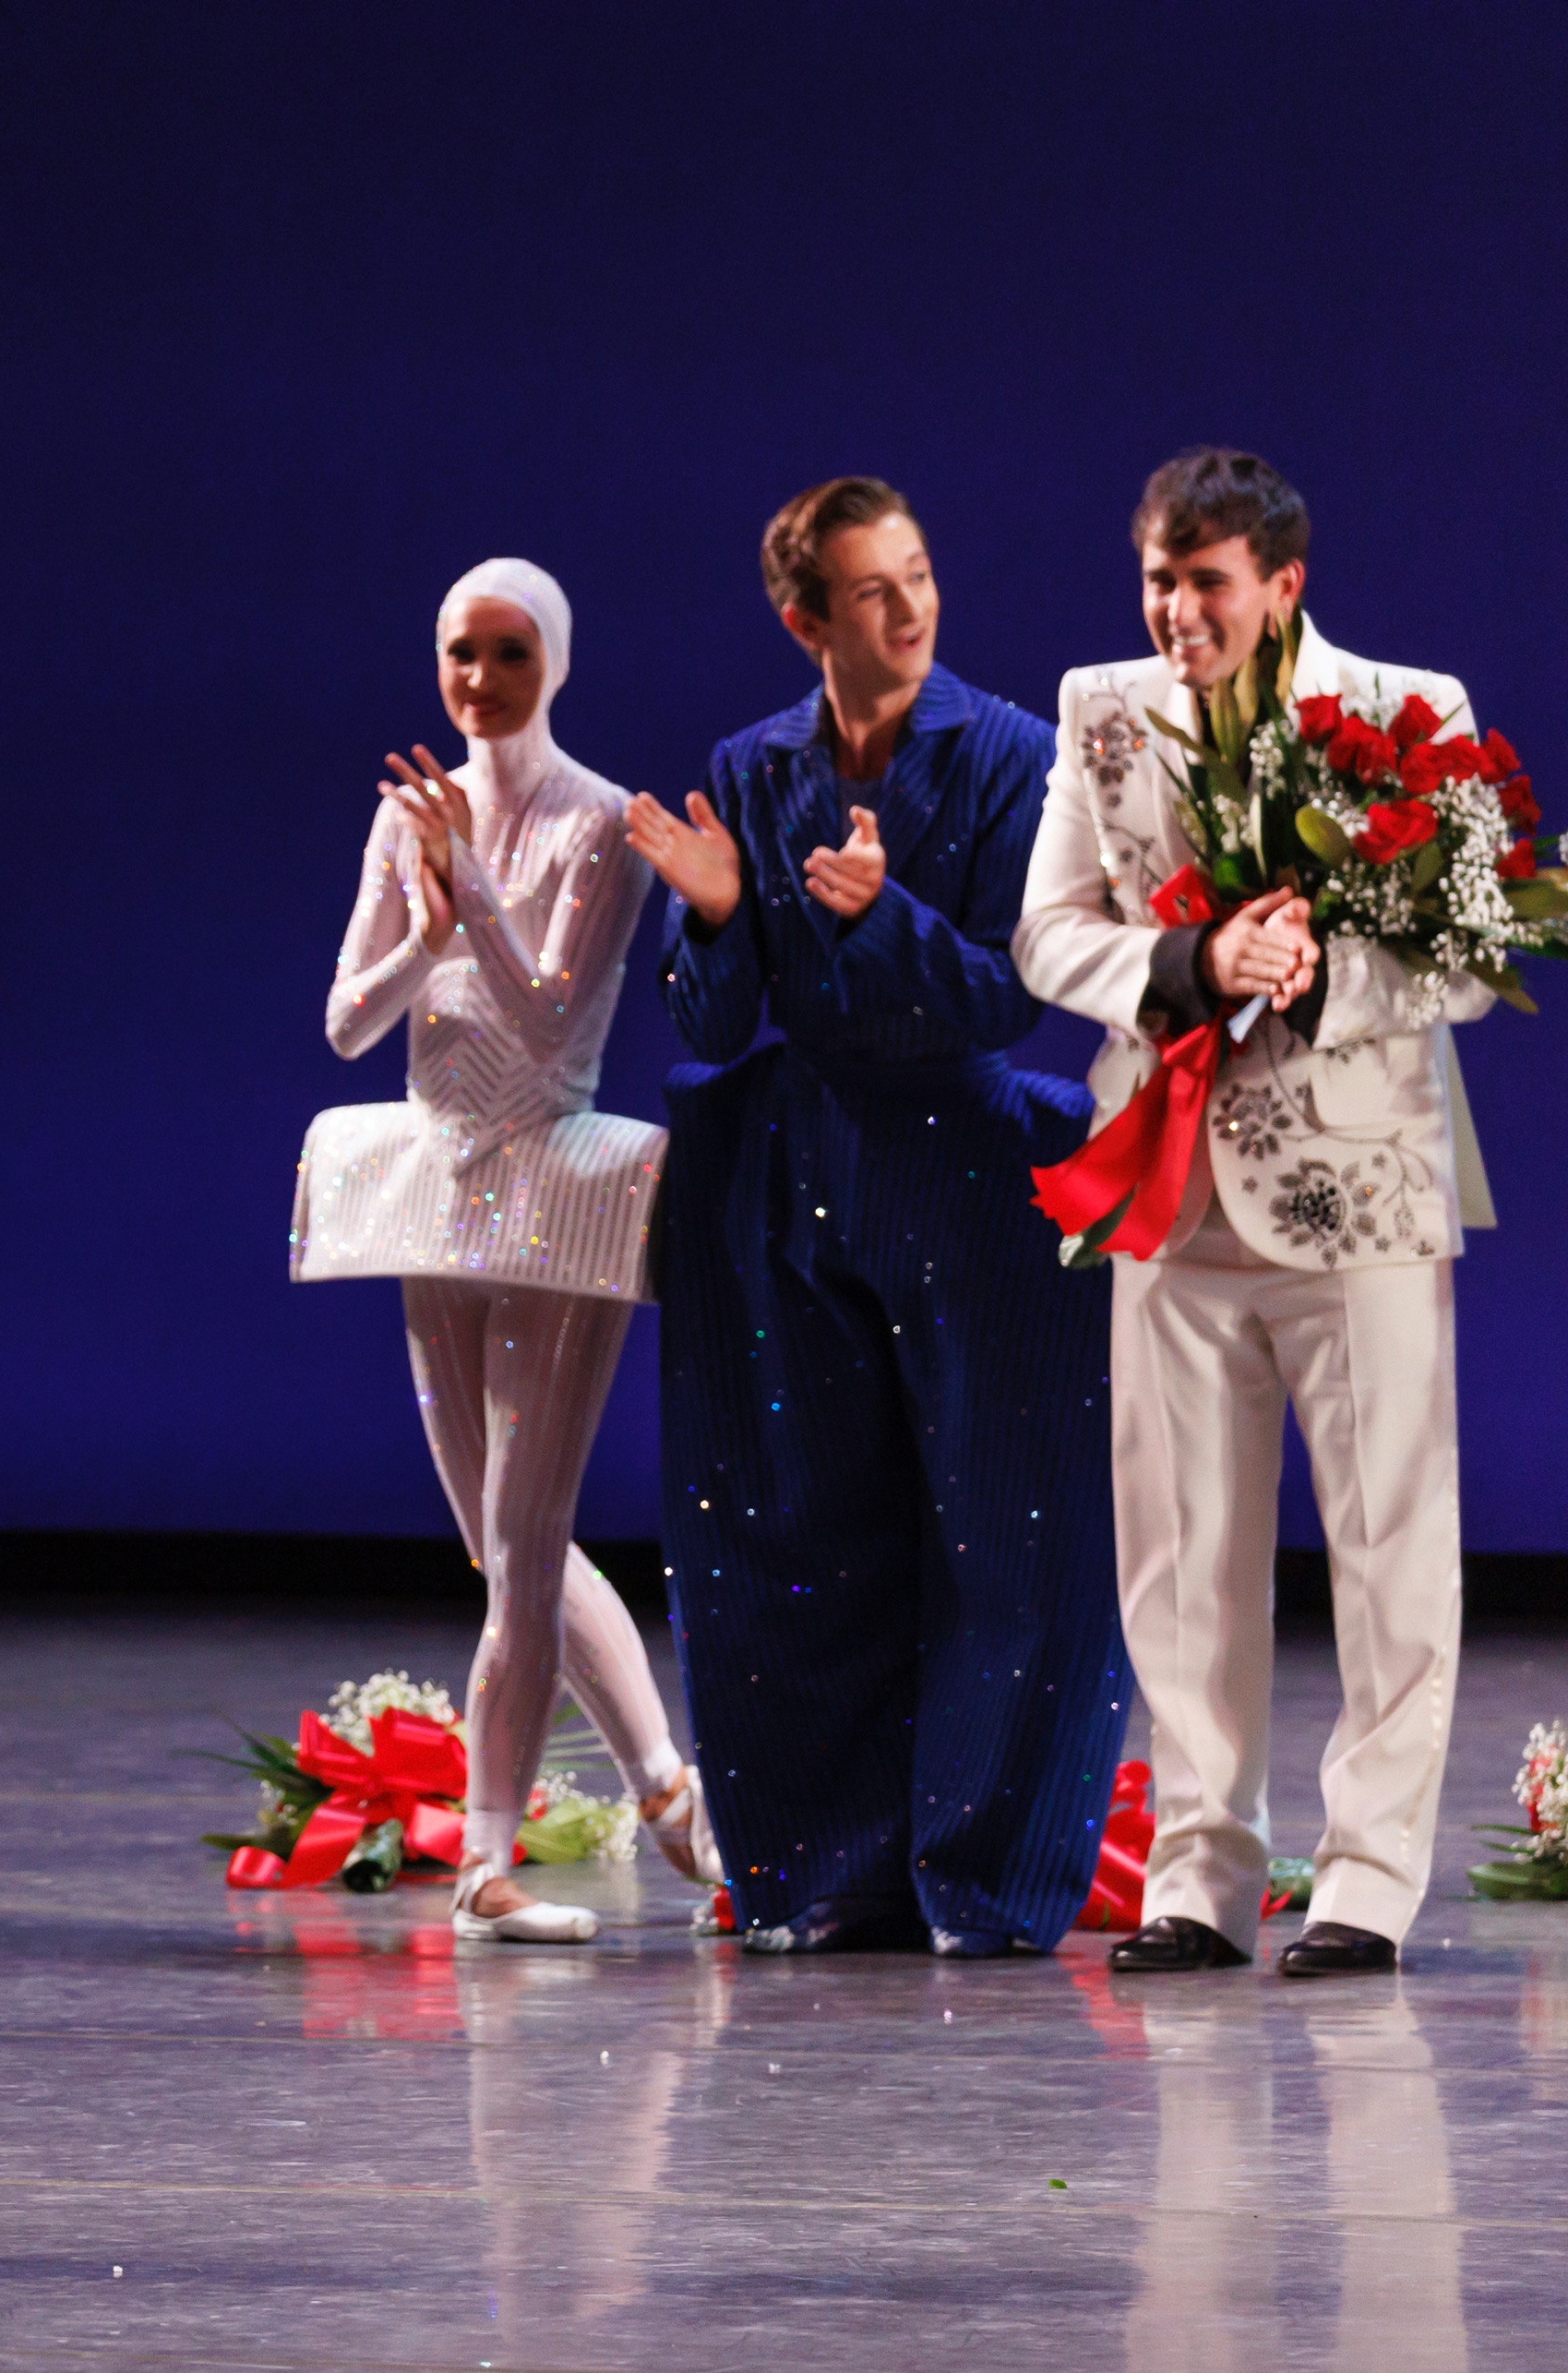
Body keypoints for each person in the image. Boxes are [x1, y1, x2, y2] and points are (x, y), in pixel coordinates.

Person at [624, 476, 1126, 1957]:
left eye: (917, 578)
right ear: (803, 619)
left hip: (970, 1168)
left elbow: (1016, 988)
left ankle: (987, 1878)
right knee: (793, 1527)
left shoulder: (1013, 756)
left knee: (1012, 1531)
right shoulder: (756, 766)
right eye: (870, 592)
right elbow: (714, 1026)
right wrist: (719, 916)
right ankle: (827, 1867)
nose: (908, 611)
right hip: (791, 1172)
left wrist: (877, 914)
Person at [1015, 449, 1494, 1980]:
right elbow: (1046, 933)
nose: (1174, 611)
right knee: (1179, 1550)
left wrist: (1327, 976)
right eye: (1158, 576)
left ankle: (1365, 1884)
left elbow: (1473, 953)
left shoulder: (1414, 715)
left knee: (1389, 1542)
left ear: (1284, 585)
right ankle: (1198, 1880)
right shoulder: (1101, 711)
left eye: (1205, 581)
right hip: (1169, 1180)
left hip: (1356, 1181)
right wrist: (1193, 966)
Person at [294, 557, 719, 1939]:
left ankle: (484, 1865)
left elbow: (549, 1018)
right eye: (460, 655)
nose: (479, 683)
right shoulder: (405, 818)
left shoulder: (599, 822)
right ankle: (665, 1791)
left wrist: (465, 880)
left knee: (527, 1541)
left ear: (557, 663)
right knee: (500, 1545)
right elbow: (350, 1022)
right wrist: (425, 927)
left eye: (508, 656)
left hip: (551, 1192)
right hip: (442, 1187)